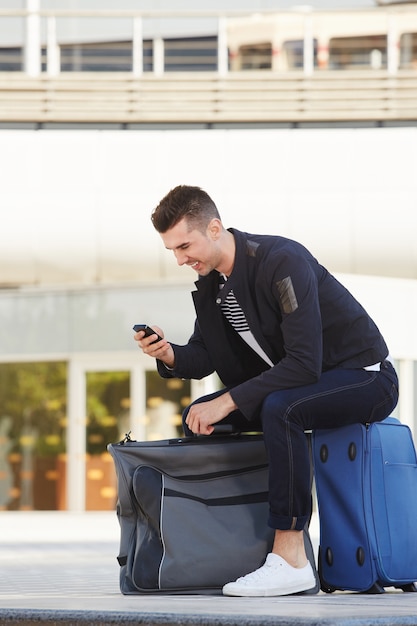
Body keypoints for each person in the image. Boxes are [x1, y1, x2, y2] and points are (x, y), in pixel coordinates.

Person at [134, 184, 398, 598]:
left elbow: (304, 362)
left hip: (364, 376)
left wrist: (230, 399)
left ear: (215, 228)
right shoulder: (212, 283)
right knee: (201, 414)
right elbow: (206, 355)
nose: (181, 259)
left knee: (281, 408)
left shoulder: (281, 261)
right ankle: (235, 548)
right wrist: (168, 354)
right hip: (303, 385)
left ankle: (290, 557)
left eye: (185, 245)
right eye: (173, 251)